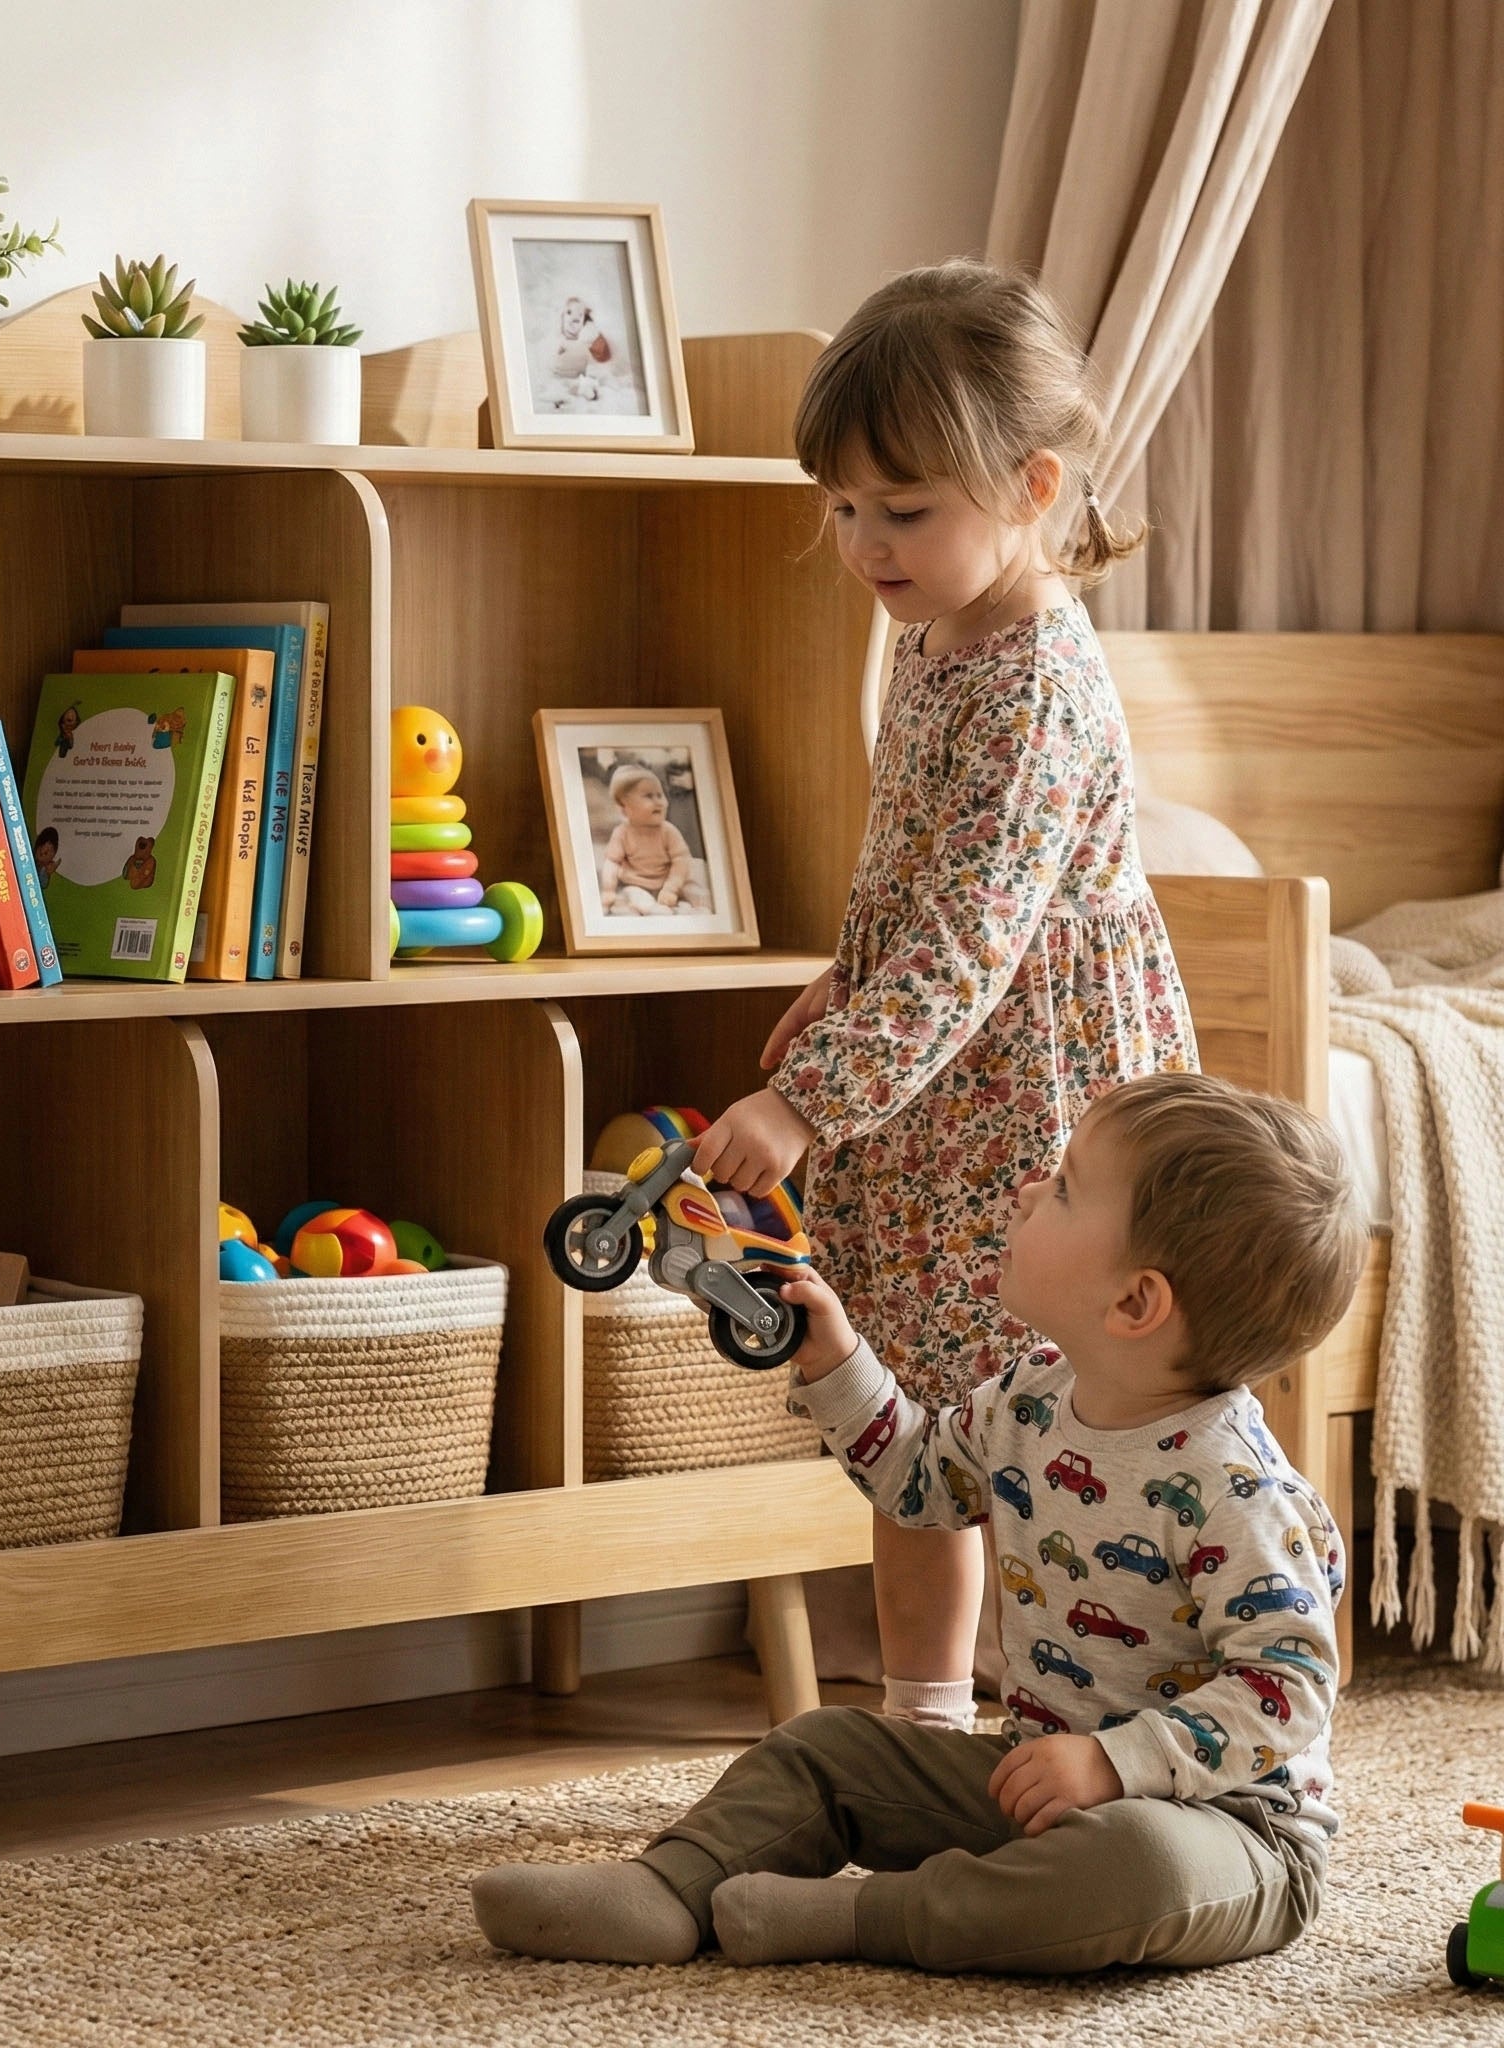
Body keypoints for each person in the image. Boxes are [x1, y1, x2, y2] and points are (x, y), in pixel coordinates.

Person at [474, 1073, 1365, 1974]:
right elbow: (918, 1484)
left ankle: (874, 1916)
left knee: (1140, 1865)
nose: (1026, 1190)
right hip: (1041, 1775)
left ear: (1135, 1304)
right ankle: (672, 1887)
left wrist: (1116, 1766)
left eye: (1062, 1188)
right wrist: (838, 1361)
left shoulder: (1236, 1489)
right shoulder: (1032, 1396)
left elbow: (1285, 1688)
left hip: (1233, 1830)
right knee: (823, 1745)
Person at [689, 259, 1196, 1738]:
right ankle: (921, 1724)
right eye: (842, 508)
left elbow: (980, 935)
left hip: (1038, 1097)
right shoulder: (929, 640)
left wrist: (806, 1097)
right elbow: (918, 863)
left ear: (1032, 485)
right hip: (927, 1096)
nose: (863, 544)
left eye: (903, 511)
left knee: (1051, 1417)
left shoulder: (1038, 679)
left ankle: (1109, 1713)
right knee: (910, 1417)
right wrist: (840, 979)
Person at [600, 762, 709, 915]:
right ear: (625, 808)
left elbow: (681, 860)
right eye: (648, 796)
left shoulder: (668, 831)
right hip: (637, 883)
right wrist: (608, 890)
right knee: (634, 896)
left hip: (670, 880)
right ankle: (654, 910)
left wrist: (671, 888)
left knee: (695, 889)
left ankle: (702, 913)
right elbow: (611, 862)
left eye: (660, 795)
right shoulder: (622, 833)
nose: (658, 801)